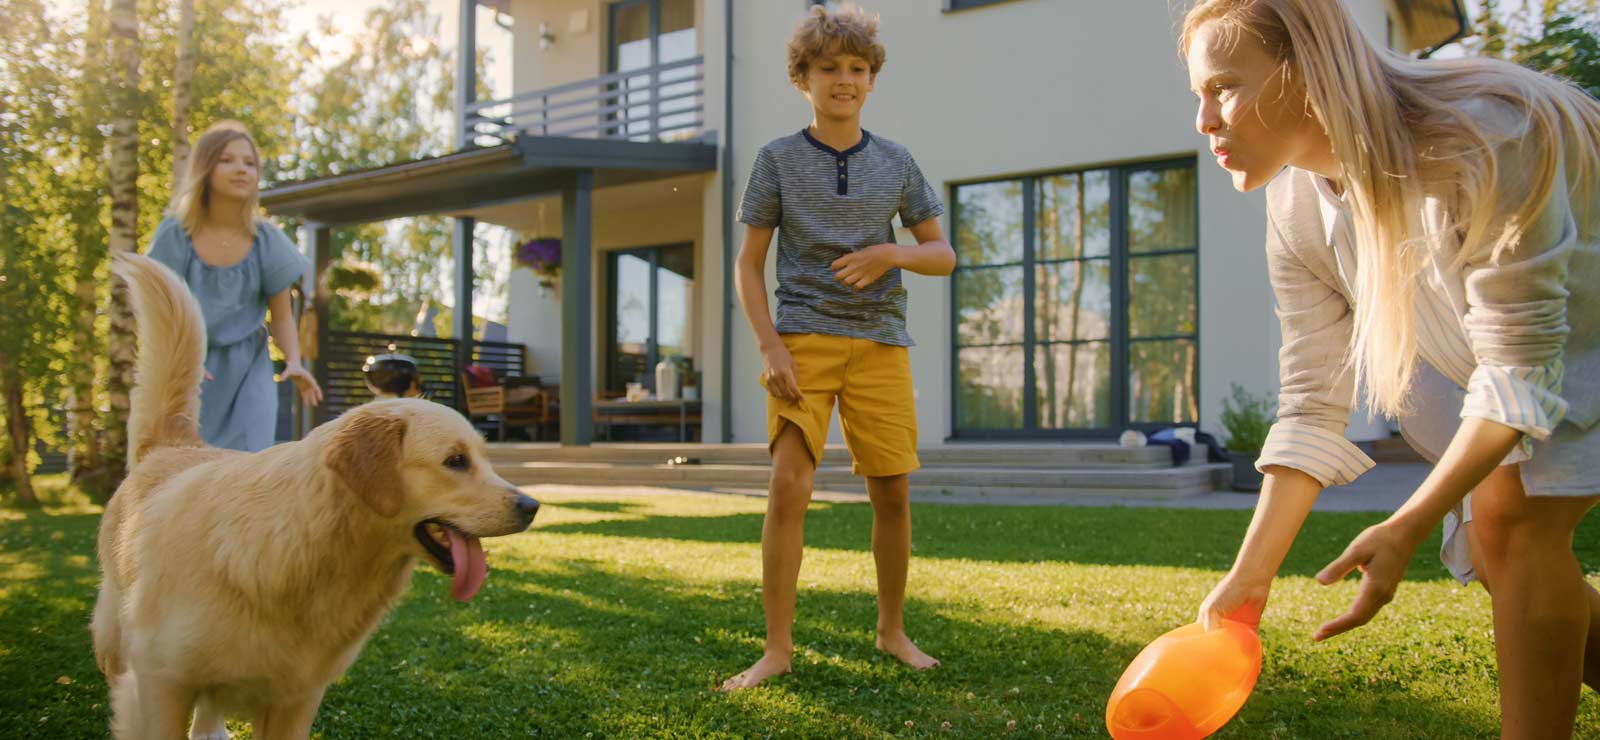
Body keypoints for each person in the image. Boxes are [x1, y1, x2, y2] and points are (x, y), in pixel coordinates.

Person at [1182, 1, 1600, 736]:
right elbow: (1313, 401)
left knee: (1509, 524)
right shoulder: (1295, 208)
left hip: (1570, 339)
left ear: (1307, 68)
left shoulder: (1490, 131)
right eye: (1198, 96)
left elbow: (1521, 365)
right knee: (1508, 553)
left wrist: (1408, 524)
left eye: (1224, 87)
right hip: (1508, 360)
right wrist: (1249, 579)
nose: (1205, 122)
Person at [720, 3, 956, 691]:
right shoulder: (776, 160)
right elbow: (747, 265)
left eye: (857, 68)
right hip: (803, 342)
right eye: (829, 68)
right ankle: (777, 651)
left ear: (871, 79)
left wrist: (890, 252)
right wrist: (771, 347)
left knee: (893, 495)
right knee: (788, 487)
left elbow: (941, 255)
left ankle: (891, 632)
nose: (844, 79)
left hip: (880, 343)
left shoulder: (898, 162)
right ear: (805, 78)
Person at [147, 121, 323, 452]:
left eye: (250, 163)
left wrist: (294, 361)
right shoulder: (175, 235)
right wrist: (180, 359)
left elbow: (282, 316)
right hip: (187, 369)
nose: (241, 169)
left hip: (248, 370)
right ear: (205, 168)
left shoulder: (266, 240)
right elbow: (160, 310)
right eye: (227, 160)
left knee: (246, 464)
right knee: (185, 464)